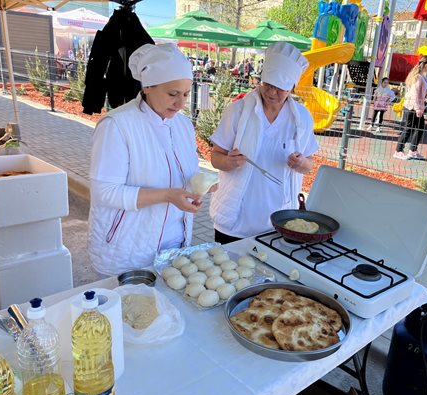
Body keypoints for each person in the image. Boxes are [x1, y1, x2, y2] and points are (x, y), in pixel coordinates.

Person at [88, 43, 205, 276]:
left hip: (175, 244)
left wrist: (203, 184)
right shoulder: (118, 126)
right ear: (148, 87)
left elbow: (184, 172)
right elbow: (105, 192)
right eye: (172, 94)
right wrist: (167, 196)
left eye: (185, 94)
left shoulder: (182, 125)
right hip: (127, 248)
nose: (181, 104)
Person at [209, 42, 318, 244]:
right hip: (236, 221)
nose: (271, 93)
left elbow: (310, 164)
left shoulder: (301, 118)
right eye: (267, 85)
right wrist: (228, 162)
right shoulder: (238, 111)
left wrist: (302, 164)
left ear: (292, 88)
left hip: (279, 222)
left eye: (280, 88)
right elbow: (215, 157)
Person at [393, 55, 427, 160]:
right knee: (409, 128)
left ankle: (413, 150)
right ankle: (398, 150)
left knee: (419, 128)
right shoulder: (417, 77)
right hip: (412, 107)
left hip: (417, 106)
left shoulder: (420, 75)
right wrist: (417, 108)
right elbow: (415, 93)